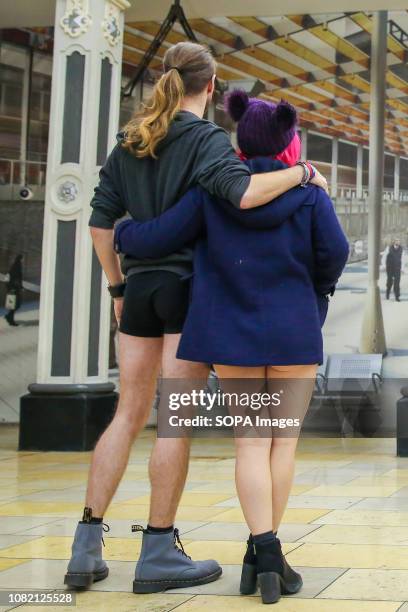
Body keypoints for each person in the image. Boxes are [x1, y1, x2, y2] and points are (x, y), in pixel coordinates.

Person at [64, 42, 327, 593]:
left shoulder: (130, 141)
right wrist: (303, 171)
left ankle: (86, 544)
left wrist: (117, 284)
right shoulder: (208, 141)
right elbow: (243, 194)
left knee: (126, 413)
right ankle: (158, 548)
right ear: (210, 87)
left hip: (137, 289)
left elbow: (99, 224)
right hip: (187, 294)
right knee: (173, 419)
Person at [114, 90, 349, 604]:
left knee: (249, 444)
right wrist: (313, 293)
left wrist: (125, 231)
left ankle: (263, 554)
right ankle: (264, 559)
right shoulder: (309, 194)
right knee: (280, 444)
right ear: (290, 139)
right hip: (292, 332)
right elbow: (336, 254)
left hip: (232, 336)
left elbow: (154, 238)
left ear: (240, 139)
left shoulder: (211, 192)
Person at [4, 254, 23, 327]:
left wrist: (20, 287)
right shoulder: (17, 266)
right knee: (16, 304)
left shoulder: (16, 265)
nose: (23, 260)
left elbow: (17, 278)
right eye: (22, 258)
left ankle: (9, 317)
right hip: (14, 288)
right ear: (20, 259)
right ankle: (10, 319)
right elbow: (15, 278)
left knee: (14, 304)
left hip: (14, 288)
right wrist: (15, 288)